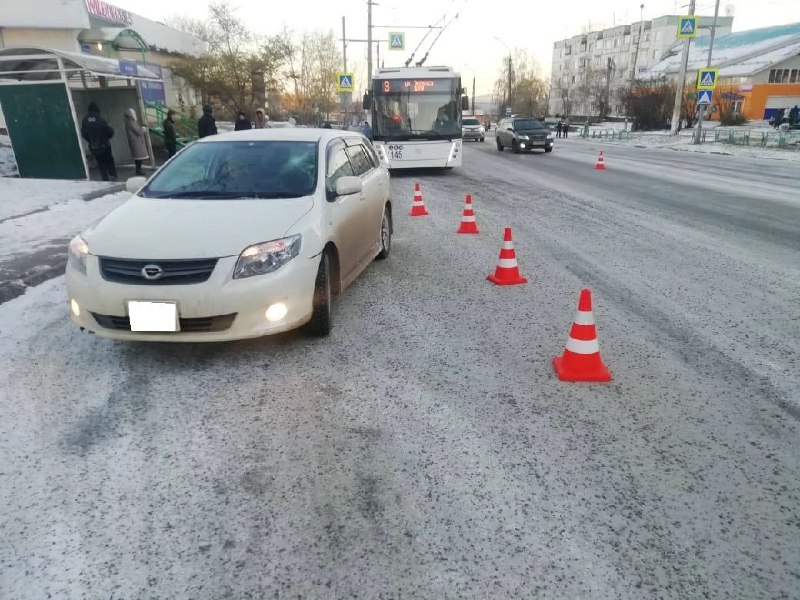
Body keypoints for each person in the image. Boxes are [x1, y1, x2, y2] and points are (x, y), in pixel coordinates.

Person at [81, 102, 117, 181]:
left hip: (94, 145)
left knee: (100, 162)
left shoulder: (85, 120)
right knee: (109, 160)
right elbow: (109, 131)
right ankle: (112, 175)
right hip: (105, 144)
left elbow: (83, 133)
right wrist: (107, 137)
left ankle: (105, 178)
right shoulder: (100, 118)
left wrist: (90, 141)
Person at [123, 108, 149, 176]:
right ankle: (138, 171)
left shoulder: (128, 122)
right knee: (139, 158)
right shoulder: (132, 122)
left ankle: (138, 170)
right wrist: (143, 128)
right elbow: (139, 132)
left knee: (138, 158)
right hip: (137, 143)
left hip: (134, 142)